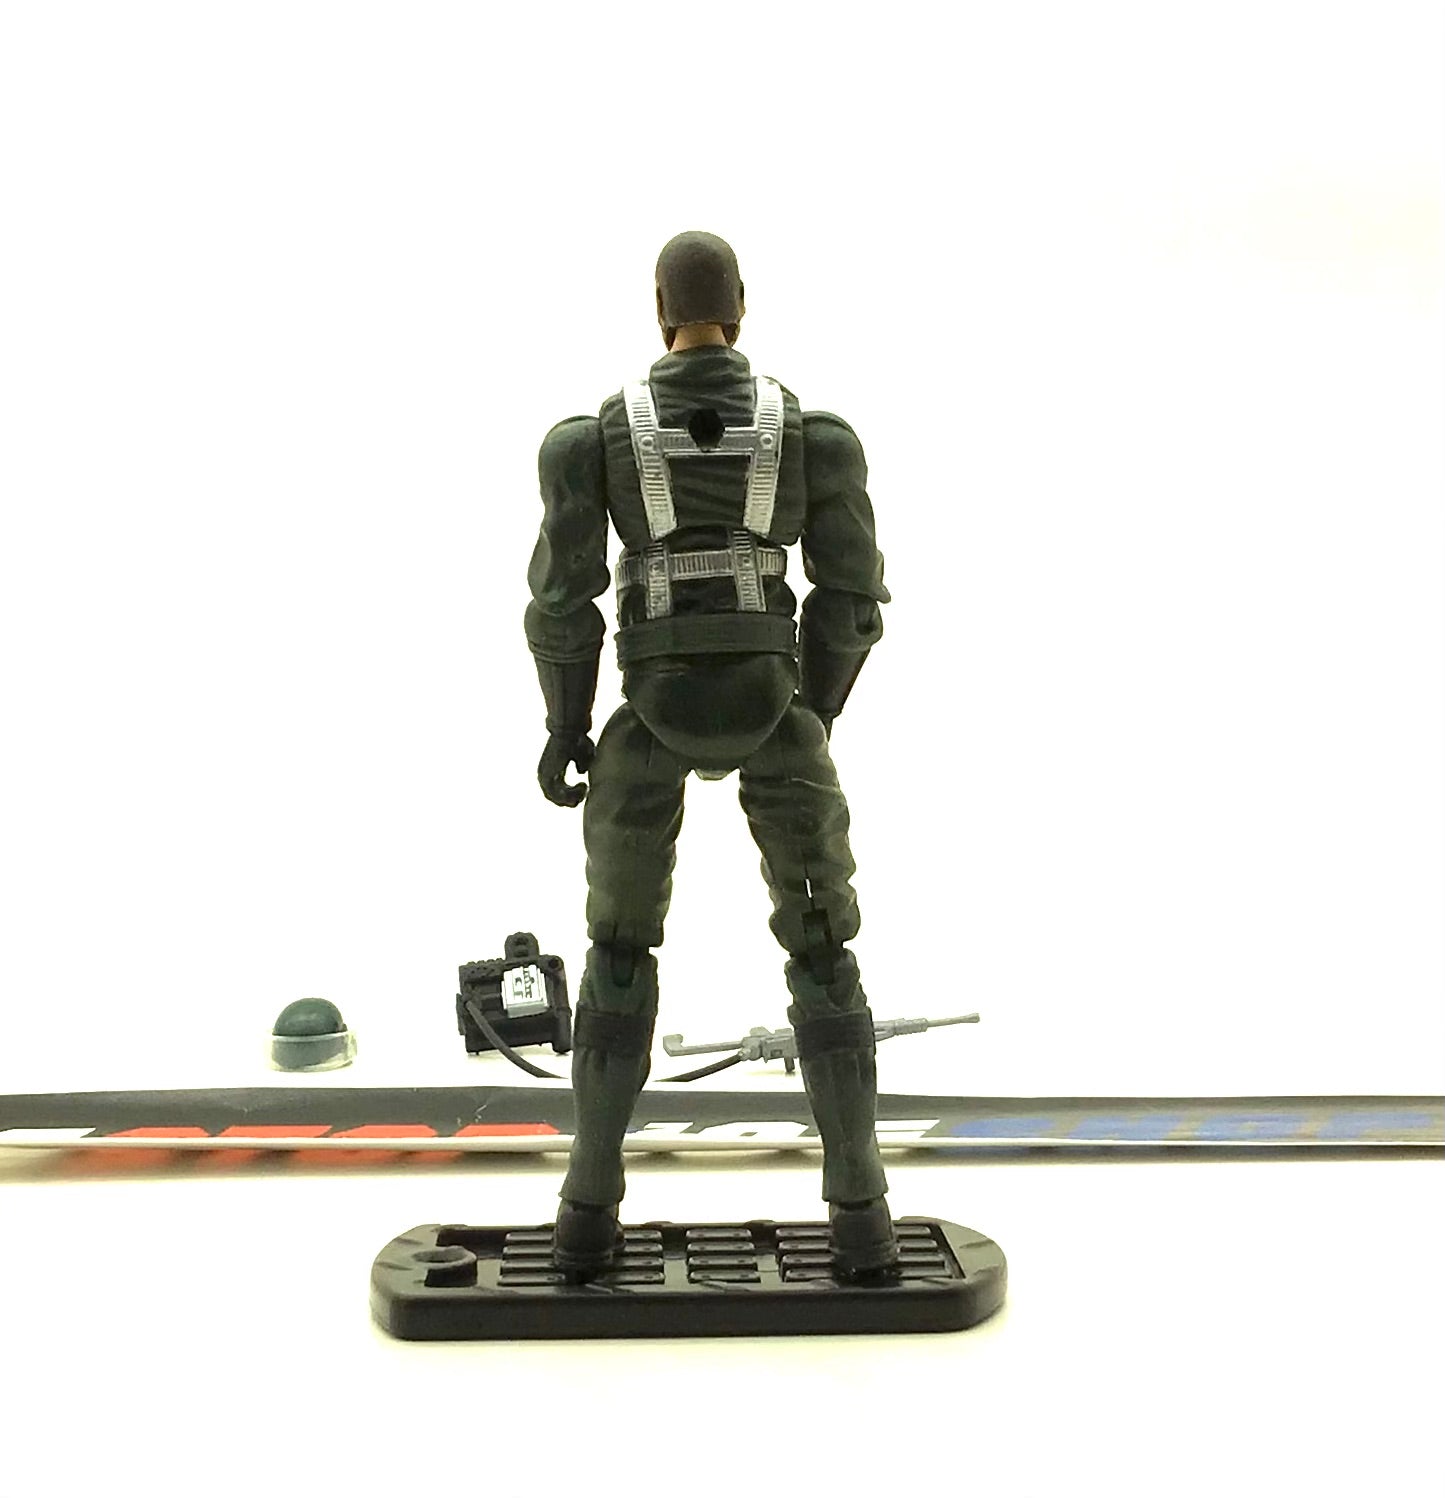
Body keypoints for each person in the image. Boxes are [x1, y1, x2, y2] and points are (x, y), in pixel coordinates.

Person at [524, 231, 895, 1278]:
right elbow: (852, 601)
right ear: (741, 305)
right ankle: (861, 1218)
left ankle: (585, 1214)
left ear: (658, 307)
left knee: (617, 949)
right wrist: (812, 714)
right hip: (773, 706)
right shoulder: (813, 437)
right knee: (822, 951)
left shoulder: (590, 442)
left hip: (646, 713)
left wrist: (565, 725)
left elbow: (561, 606)